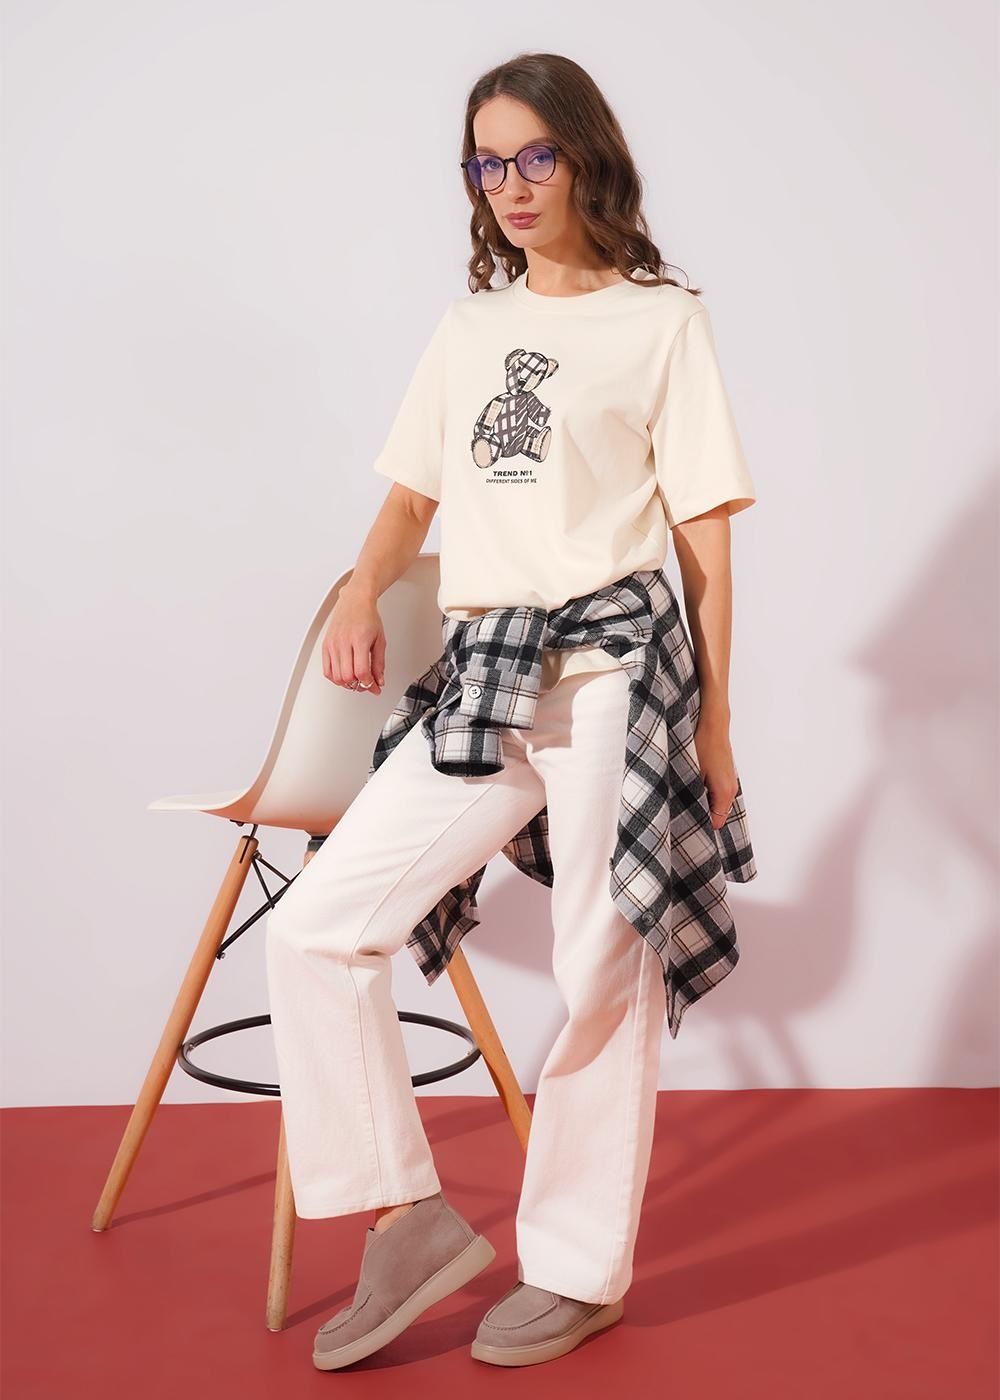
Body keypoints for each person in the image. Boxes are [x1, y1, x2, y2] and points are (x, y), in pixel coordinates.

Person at [265, 50, 758, 1372]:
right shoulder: (468, 330)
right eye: (487, 163)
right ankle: (407, 1218)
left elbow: (705, 545)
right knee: (317, 928)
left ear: (586, 156)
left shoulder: (663, 323)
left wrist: (714, 732)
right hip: (489, 668)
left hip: (613, 670)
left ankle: (580, 1270)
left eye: (535, 154)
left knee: (602, 965)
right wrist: (364, 589)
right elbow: (411, 496)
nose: (511, 184)